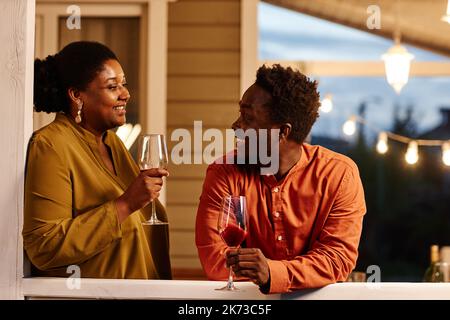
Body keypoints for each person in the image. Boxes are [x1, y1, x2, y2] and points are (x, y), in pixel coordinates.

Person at [195, 64, 366, 293]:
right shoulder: (224, 172)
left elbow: (337, 260)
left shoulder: (339, 175)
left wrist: (272, 273)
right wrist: (294, 276)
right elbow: (215, 261)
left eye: (247, 117)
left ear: (282, 132)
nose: (236, 126)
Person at [23, 41, 171, 279]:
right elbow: (43, 246)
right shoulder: (50, 145)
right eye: (113, 86)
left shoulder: (113, 144)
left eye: (124, 84)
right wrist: (124, 205)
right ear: (76, 95)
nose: (125, 94)